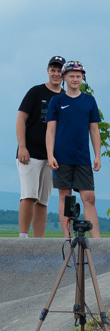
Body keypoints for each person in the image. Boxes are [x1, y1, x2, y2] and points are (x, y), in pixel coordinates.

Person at [46, 60, 101, 238]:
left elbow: (94, 130)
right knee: (65, 196)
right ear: (64, 77)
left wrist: (98, 155)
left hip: (82, 157)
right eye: (72, 76)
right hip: (62, 157)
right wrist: (50, 154)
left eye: (78, 76)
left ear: (82, 78)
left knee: (89, 196)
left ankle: (98, 242)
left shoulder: (89, 101)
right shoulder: (57, 101)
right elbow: (51, 130)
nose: (75, 79)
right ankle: (68, 238)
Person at [15, 56, 65, 238]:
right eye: (53, 70)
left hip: (52, 156)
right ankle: (23, 237)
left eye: (60, 71)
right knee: (29, 195)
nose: (56, 74)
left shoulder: (65, 98)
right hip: (30, 153)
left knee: (43, 200)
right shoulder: (36, 92)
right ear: (48, 70)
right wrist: (22, 146)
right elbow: (21, 119)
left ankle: (39, 242)